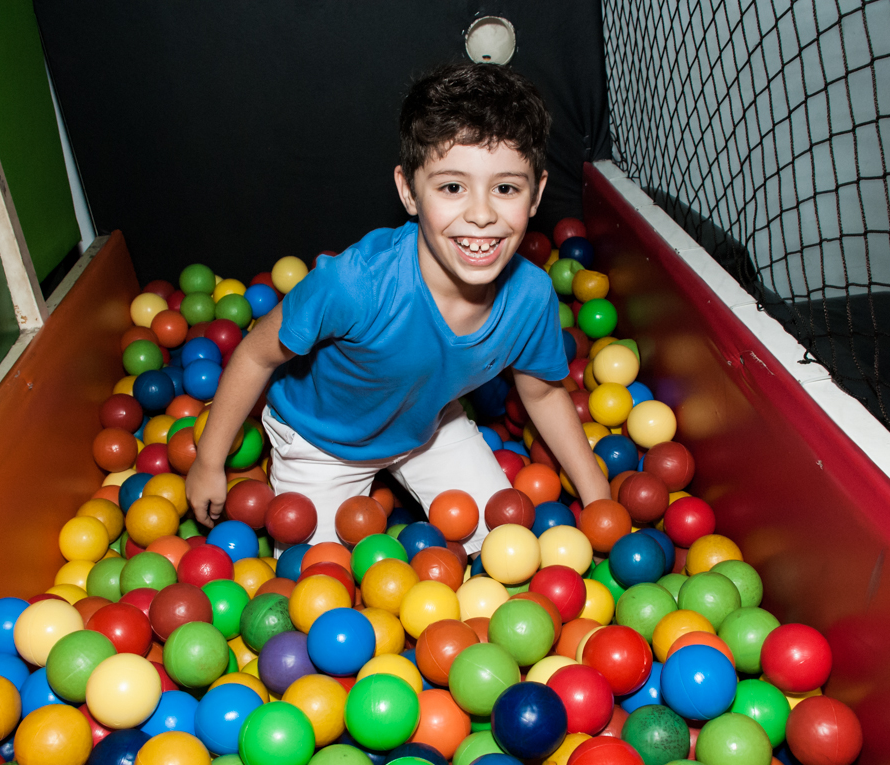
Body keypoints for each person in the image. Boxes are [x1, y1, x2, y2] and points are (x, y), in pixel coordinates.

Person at [186, 62, 610, 552]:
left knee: (505, 546)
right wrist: (209, 461)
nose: (481, 214)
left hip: (426, 426)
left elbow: (542, 395)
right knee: (317, 591)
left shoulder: (530, 296)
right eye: (452, 187)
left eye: (506, 188)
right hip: (321, 442)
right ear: (409, 190)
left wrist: (598, 496)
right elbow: (257, 353)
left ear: (536, 193)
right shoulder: (356, 284)